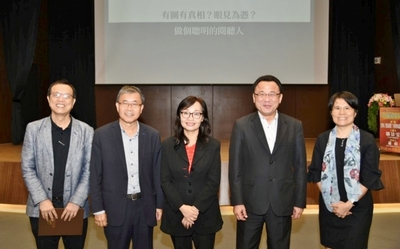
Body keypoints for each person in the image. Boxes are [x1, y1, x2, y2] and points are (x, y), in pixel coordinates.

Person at [228, 74, 307, 249]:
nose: (266, 99)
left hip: (282, 201)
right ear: (253, 97)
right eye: (261, 94)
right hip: (250, 202)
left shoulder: (294, 125)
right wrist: (237, 201)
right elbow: (235, 167)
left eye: (272, 94)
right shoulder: (241, 125)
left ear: (280, 98)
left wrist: (299, 201)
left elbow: (300, 166)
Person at [21, 79, 94, 249]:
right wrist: (42, 200)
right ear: (48, 99)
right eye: (56, 95)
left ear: (73, 101)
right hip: (42, 210)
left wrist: (76, 201)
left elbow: (89, 170)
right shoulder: (33, 129)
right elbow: (27, 168)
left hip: (75, 210)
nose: (61, 100)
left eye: (66, 96)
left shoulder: (86, 131)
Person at [307, 91, 384, 249]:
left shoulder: (367, 140)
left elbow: (370, 176)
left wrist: (349, 203)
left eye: (347, 108)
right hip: (330, 206)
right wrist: (333, 203)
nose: (342, 113)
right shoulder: (323, 139)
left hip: (357, 208)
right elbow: (316, 173)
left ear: (355, 112)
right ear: (331, 112)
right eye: (337, 108)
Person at [90, 85, 163, 249]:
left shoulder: (152, 135)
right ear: (117, 106)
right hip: (114, 208)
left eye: (135, 104)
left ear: (141, 108)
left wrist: (159, 204)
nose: (129, 108)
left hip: (144, 208)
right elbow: (95, 175)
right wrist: (98, 209)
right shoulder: (101, 135)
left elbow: (157, 173)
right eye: (125, 103)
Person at [160, 96, 223, 249]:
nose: (190, 118)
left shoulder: (213, 145)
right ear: (179, 116)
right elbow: (165, 180)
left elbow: (213, 181)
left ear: (203, 118)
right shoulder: (167, 145)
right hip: (177, 214)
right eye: (185, 113)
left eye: (196, 114)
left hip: (205, 214)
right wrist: (183, 208)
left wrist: (194, 210)